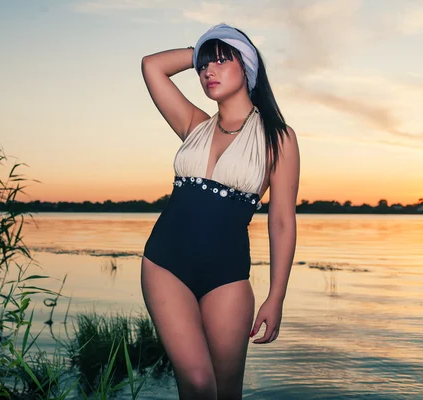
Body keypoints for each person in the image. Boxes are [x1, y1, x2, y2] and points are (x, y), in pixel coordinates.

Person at [140, 23, 299, 399]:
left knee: (226, 392)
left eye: (220, 61)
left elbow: (281, 221)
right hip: (165, 264)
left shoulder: (278, 137)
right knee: (197, 383)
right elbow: (151, 66)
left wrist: (276, 296)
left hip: (226, 277)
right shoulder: (193, 124)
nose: (207, 71)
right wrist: (204, 48)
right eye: (201, 65)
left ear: (247, 67)